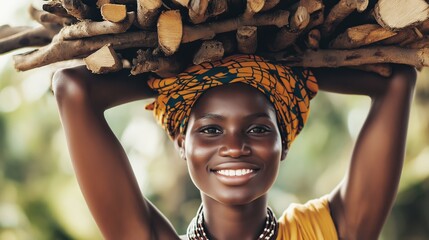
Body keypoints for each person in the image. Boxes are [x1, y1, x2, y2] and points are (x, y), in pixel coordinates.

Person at [52, 54, 416, 240]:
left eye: (257, 129)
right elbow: (72, 88)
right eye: (210, 130)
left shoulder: (331, 231)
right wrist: (190, 73)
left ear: (283, 144)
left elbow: (397, 81)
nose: (234, 146)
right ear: (182, 144)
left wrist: (278, 68)